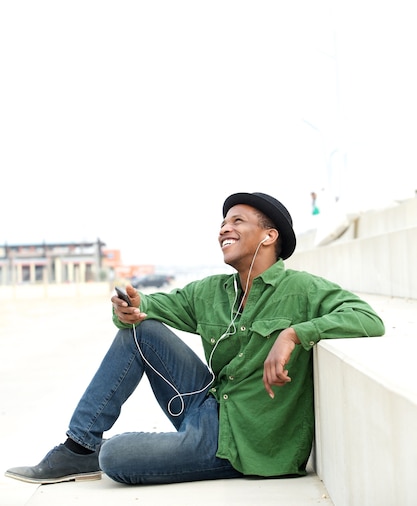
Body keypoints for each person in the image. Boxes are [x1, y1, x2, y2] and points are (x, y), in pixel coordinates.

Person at [5, 192, 385, 486]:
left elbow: (368, 318)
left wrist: (294, 333)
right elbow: (148, 307)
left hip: (245, 447)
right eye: (222, 222)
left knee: (117, 457)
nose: (224, 229)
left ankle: (118, 452)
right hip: (208, 407)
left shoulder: (302, 289)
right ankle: (79, 447)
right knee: (142, 329)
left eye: (237, 221)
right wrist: (129, 308)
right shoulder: (211, 292)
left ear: (270, 236)